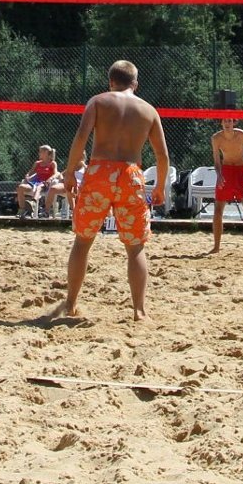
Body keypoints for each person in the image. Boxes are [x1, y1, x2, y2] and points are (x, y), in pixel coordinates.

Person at [58, 60, 169, 322]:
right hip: (130, 175)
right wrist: (161, 187)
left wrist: (70, 171)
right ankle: (139, 312)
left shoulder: (98, 101)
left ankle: (71, 304)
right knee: (136, 248)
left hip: (98, 173)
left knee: (83, 242)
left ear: (110, 81)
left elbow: (81, 138)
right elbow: (162, 156)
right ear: (135, 83)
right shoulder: (148, 110)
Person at [210, 118, 243, 257]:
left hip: (241, 171)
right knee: (218, 208)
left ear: (234, 123)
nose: (227, 123)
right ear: (221, 123)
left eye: (230, 121)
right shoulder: (216, 138)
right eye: (225, 121)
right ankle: (216, 247)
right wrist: (219, 174)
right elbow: (216, 160)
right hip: (226, 171)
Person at [16, 144, 58, 218]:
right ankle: (22, 209)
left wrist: (49, 179)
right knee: (20, 187)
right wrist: (27, 175)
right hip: (34, 182)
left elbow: (56, 174)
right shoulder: (37, 163)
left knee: (39, 187)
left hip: (45, 184)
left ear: (45, 153)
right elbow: (30, 172)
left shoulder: (52, 163)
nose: (39, 153)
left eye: (40, 152)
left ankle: (33, 202)